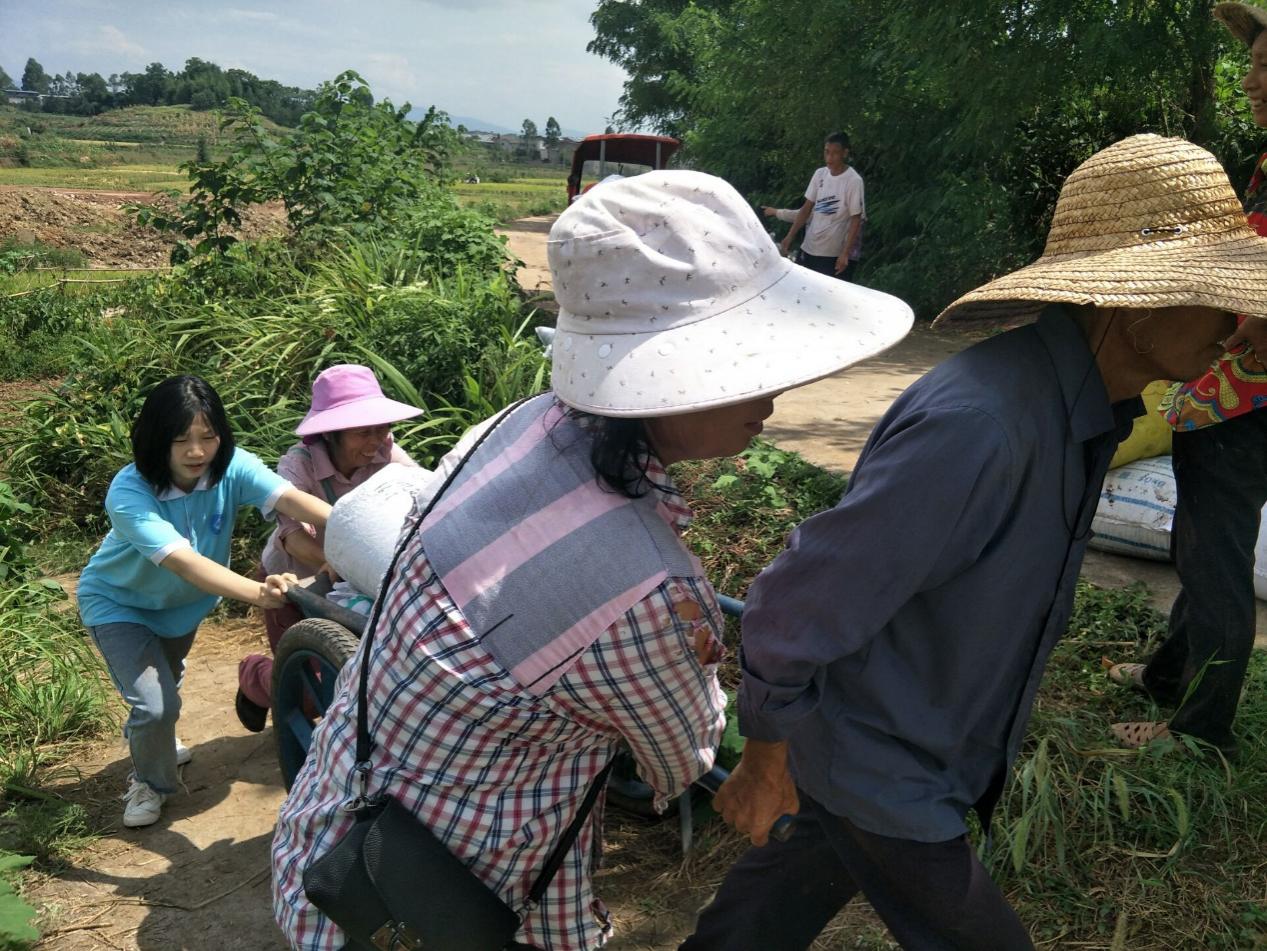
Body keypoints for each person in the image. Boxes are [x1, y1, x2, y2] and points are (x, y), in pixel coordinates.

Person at [271, 169, 915, 951]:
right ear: (663, 378)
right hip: (449, 905)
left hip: (338, 830)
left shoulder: (514, 428)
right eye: (743, 358)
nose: (772, 393)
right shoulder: (650, 596)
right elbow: (682, 757)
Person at [680, 134, 1267, 951]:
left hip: (900, 752)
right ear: (1136, 303)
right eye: (1216, 294)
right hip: (884, 769)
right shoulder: (982, 428)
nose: (1237, 323)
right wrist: (763, 754)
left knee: (761, 916)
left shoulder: (1080, 416)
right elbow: (797, 599)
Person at [1106, 1, 1267, 758]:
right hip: (1232, 391)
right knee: (1201, 539)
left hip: (1248, 398)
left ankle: (1199, 732)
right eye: (1254, 64)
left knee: (1214, 558)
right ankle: (1172, 674)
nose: (1252, 81)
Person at [77, 376, 333, 828]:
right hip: (119, 603)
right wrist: (260, 593)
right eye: (180, 440)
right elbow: (185, 563)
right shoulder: (130, 491)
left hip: (183, 607)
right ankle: (148, 782)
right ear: (156, 440)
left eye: (207, 437)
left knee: (166, 687)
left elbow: (294, 500)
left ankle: (154, 739)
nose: (196, 452)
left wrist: (367, 529)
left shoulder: (233, 468)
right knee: (155, 705)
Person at [234, 364, 423, 733]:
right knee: (307, 685)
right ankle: (255, 678)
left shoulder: (386, 452)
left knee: (358, 674)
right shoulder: (298, 465)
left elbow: (419, 496)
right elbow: (292, 536)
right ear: (331, 433)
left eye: (383, 428)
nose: (376, 440)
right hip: (295, 582)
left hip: (356, 582)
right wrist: (333, 561)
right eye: (363, 432)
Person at [762, 131, 865, 280]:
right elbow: (806, 209)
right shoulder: (820, 174)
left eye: (835, 153)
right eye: (827, 152)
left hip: (832, 253)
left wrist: (845, 253)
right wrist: (790, 236)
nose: (829, 158)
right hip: (809, 247)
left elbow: (856, 219)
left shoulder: (853, 181)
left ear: (845, 153)